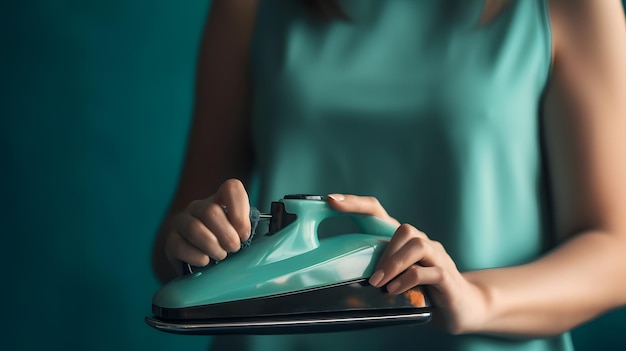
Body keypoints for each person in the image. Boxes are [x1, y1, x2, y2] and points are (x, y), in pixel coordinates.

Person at [152, 0, 626, 350]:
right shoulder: (249, 9)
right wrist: (198, 238)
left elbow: (616, 251)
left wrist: (473, 296)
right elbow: (170, 242)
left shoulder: (572, 8)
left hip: (482, 335)